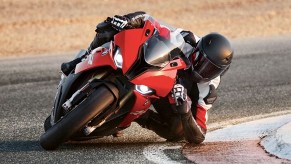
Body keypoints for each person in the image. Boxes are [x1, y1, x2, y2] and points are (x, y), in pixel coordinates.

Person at [61, 11, 233, 144]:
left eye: (212, 70)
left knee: (177, 132)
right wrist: (130, 21)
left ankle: (138, 116)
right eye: (203, 62)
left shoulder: (209, 89)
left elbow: (200, 134)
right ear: (197, 50)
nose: (205, 71)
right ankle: (80, 60)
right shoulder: (188, 38)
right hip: (152, 65)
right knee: (113, 25)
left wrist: (186, 112)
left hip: (165, 93)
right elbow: (153, 23)